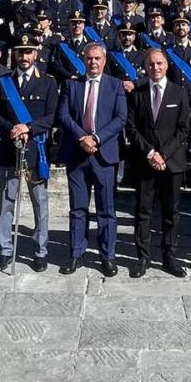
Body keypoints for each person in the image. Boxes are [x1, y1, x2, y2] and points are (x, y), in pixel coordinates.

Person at [0, 33, 58, 273]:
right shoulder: (3, 81)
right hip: (10, 151)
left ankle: (40, 251)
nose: (24, 56)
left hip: (36, 153)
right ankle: (5, 250)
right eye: (20, 52)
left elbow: (51, 116)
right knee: (6, 203)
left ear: (36, 54)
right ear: (14, 54)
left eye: (28, 52)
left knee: (40, 203)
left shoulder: (48, 82)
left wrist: (29, 127)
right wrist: (12, 129)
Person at [57, 42, 127, 276]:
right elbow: (63, 115)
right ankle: (76, 254)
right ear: (83, 59)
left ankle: (107, 256)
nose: (93, 62)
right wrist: (82, 138)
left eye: (97, 58)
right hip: (77, 154)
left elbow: (120, 118)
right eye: (89, 58)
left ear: (104, 60)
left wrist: (96, 138)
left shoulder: (115, 85)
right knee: (78, 208)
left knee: (107, 209)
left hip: (104, 155)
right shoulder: (72, 84)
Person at [125, 48, 191, 278]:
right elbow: (131, 128)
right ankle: (143, 257)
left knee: (171, 213)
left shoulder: (179, 92)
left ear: (167, 65)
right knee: (143, 212)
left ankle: (169, 256)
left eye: (159, 63)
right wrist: (151, 153)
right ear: (145, 66)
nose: (155, 68)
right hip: (145, 161)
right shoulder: (138, 93)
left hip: (172, 163)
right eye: (151, 64)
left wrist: (163, 154)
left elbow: (184, 130)